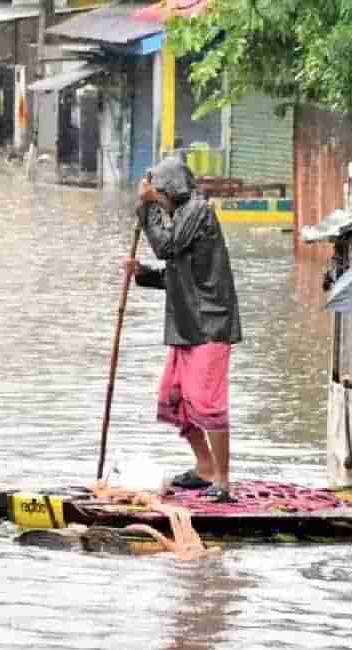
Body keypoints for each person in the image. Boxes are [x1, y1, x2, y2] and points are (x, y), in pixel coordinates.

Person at [123, 156, 243, 502]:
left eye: (159, 194)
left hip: (210, 325)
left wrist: (145, 209)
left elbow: (166, 245)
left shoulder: (197, 211)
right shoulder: (181, 216)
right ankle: (204, 467)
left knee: (208, 403)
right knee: (173, 399)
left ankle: (223, 481)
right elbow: (178, 273)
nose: (156, 199)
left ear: (170, 190)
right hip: (186, 325)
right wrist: (143, 274)